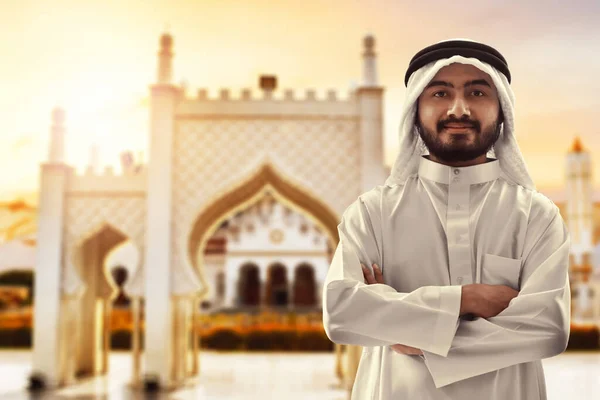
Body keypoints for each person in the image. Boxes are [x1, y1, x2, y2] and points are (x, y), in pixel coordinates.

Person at [322, 39, 571, 400]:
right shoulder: (372, 213)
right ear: (415, 111)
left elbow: (549, 327)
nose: (459, 108)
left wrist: (410, 329)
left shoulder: (536, 216)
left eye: (477, 92)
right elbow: (343, 314)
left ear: (502, 110)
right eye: (440, 93)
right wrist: (466, 299)